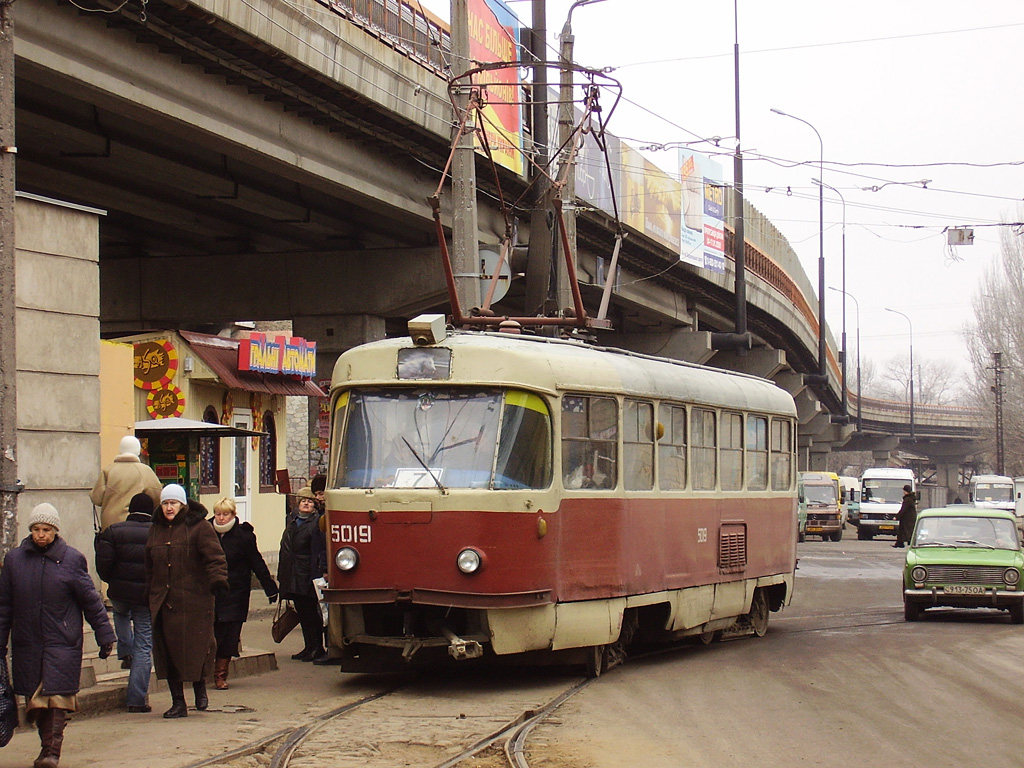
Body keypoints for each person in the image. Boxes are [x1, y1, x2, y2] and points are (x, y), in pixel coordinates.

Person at [0, 503, 115, 768]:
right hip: (28, 644)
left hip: (62, 642)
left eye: (47, 529)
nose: (41, 534)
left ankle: (51, 752)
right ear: (31, 530)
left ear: (56, 531)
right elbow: (4, 605)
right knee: (36, 703)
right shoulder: (15, 561)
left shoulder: (71, 560)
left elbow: (91, 601)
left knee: (56, 700)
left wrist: (104, 634)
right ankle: (46, 746)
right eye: (37, 529)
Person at [147, 484, 228, 718]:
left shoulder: (200, 527)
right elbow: (149, 564)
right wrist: (149, 593)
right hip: (164, 602)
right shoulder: (155, 530)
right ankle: (178, 702)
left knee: (196, 650)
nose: (169, 507)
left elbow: (215, 558)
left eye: (173, 503)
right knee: (168, 654)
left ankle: (200, 688)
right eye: (165, 503)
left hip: (194, 601)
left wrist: (218, 581)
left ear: (182, 504)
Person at [209, 498, 278, 690]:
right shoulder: (206, 532)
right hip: (211, 593)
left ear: (233, 515)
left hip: (235, 593)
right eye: (218, 514)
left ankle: (220, 675)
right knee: (211, 634)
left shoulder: (243, 536)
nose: (221, 518)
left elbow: (256, 562)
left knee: (229, 636)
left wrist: (270, 588)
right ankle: (206, 671)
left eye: (225, 514)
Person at [95, 492, 155, 713]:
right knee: (145, 645)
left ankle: (125, 648)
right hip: (146, 597)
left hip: (119, 593)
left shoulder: (113, 531)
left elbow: (103, 566)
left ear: (130, 509)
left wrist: (113, 581)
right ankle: (137, 699)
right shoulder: (157, 533)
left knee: (120, 614)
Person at [278, 487, 326, 662]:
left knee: (312, 613)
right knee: (303, 613)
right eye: (303, 501)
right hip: (292, 572)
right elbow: (284, 548)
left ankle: (317, 647)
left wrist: (318, 571)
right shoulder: (292, 521)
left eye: (310, 501)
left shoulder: (317, 523)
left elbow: (318, 551)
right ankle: (308, 647)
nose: (306, 503)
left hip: (307, 573)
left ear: (314, 505)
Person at [89, 435, 163, 531]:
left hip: (110, 525)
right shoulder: (145, 471)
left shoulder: (108, 470)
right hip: (137, 526)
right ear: (138, 450)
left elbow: (96, 499)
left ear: (120, 450)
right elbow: (157, 497)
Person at [894, 484, 917, 548]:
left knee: (907, 531)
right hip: (909, 518)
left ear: (905, 491)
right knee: (904, 530)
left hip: (907, 519)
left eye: (904, 490)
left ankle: (908, 542)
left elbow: (903, 509)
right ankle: (900, 543)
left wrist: (897, 516)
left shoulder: (908, 499)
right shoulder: (910, 498)